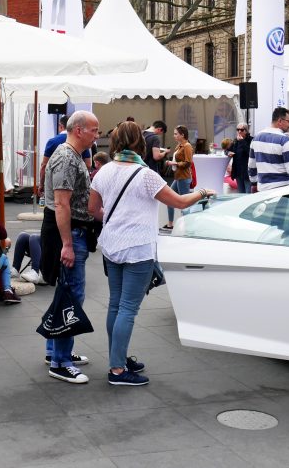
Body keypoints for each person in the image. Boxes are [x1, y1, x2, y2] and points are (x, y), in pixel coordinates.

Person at [88, 121, 215, 387]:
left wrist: (117, 219)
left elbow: (94, 209)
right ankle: (118, 370)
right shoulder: (146, 175)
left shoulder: (104, 171)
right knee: (127, 308)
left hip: (111, 245)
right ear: (139, 143)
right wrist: (202, 192)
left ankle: (118, 358)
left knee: (115, 304)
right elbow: (179, 202)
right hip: (137, 247)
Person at [40, 110, 99, 384]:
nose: (97, 135)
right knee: (72, 297)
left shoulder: (70, 156)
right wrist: (67, 244)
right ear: (78, 130)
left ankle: (56, 351)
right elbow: (62, 204)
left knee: (66, 294)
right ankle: (60, 361)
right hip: (70, 234)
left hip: (73, 232)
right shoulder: (66, 157)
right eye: (93, 130)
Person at [248, 107, 289, 191]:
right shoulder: (285, 140)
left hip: (263, 188)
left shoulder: (256, 139)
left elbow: (251, 166)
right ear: (280, 121)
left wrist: (254, 183)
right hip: (282, 190)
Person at [38, 119, 91, 200]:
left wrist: (41, 184)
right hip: (76, 188)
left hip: (55, 186)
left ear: (60, 126)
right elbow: (88, 164)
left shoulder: (52, 142)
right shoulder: (81, 141)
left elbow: (44, 165)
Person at [162, 125, 194, 230]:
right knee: (169, 199)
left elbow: (188, 163)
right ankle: (171, 224)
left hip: (183, 177)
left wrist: (173, 163)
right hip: (178, 177)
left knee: (184, 203)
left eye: (176, 134)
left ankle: (187, 226)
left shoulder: (187, 146)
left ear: (182, 135)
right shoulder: (179, 145)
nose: (174, 135)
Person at [229, 123, 252, 193]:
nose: (239, 131)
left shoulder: (251, 140)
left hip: (247, 171)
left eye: (242, 130)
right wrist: (228, 153)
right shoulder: (236, 140)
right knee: (240, 194)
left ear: (246, 131)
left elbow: (250, 152)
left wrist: (242, 141)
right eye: (238, 130)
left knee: (247, 194)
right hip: (238, 171)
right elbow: (228, 149)